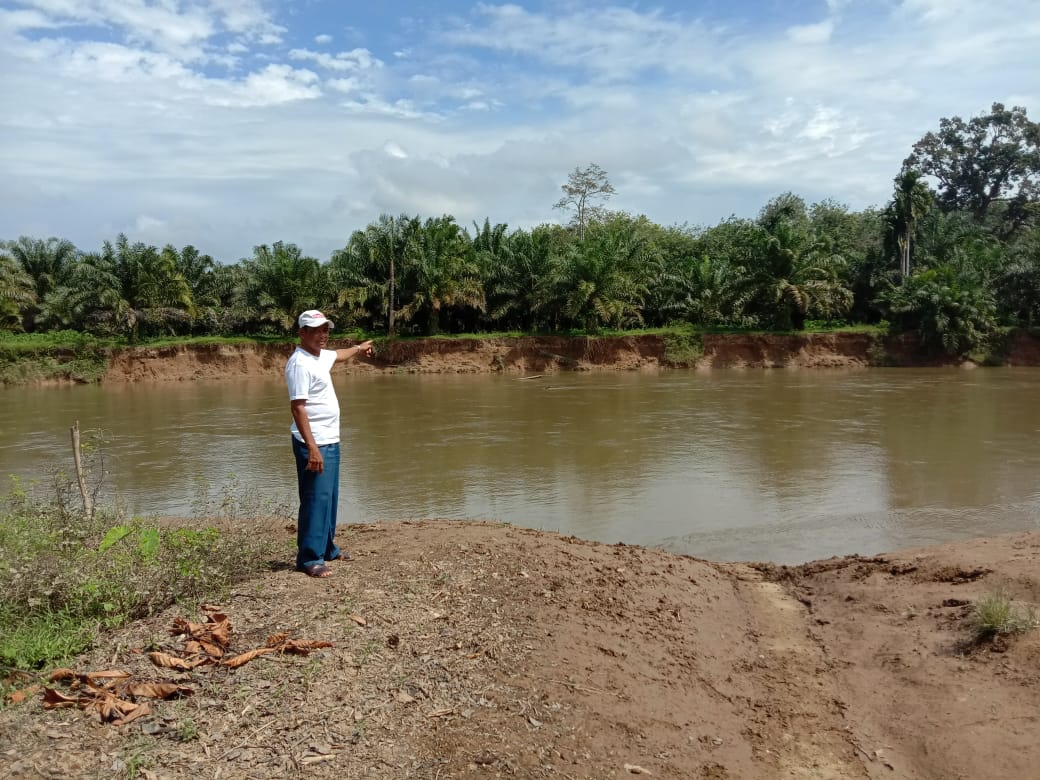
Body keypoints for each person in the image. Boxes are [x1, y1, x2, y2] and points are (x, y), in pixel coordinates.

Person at [285, 309, 373, 578]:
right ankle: (309, 558)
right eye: (316, 330)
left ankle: (327, 548)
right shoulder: (299, 363)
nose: (323, 335)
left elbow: (339, 354)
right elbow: (298, 408)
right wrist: (312, 447)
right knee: (315, 499)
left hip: (330, 438)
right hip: (314, 442)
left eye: (325, 329)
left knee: (329, 498)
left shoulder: (319, 356)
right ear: (302, 333)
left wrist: (359, 348)